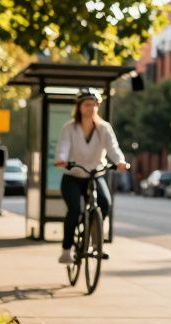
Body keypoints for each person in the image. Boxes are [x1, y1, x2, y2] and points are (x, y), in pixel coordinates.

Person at [53, 89, 128, 264]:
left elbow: (113, 148)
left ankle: (96, 243)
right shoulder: (70, 128)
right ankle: (66, 250)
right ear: (79, 107)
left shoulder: (104, 128)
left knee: (104, 203)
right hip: (73, 176)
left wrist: (121, 162)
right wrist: (62, 160)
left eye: (94, 105)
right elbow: (63, 147)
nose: (90, 108)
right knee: (74, 210)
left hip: (95, 175)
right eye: (86, 105)